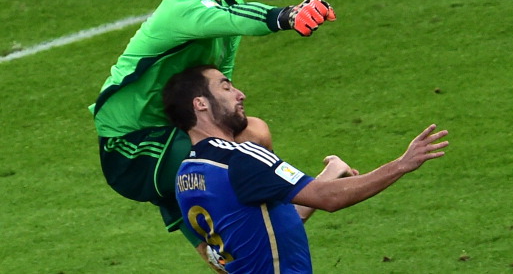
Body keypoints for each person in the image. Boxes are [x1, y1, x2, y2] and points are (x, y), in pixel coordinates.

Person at [88, 0, 337, 261]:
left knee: (224, 254)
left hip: (177, 128)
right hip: (132, 143)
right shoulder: (181, 10)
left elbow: (220, 73)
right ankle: (320, 191)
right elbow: (234, 19)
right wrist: (288, 16)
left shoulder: (225, 2)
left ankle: (312, 192)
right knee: (243, 149)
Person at [164, 65, 450, 273]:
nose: (240, 94)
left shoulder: (186, 176)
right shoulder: (241, 157)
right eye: (226, 87)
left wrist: (330, 174)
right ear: (200, 104)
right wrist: (402, 164)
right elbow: (329, 199)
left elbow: (272, 227)